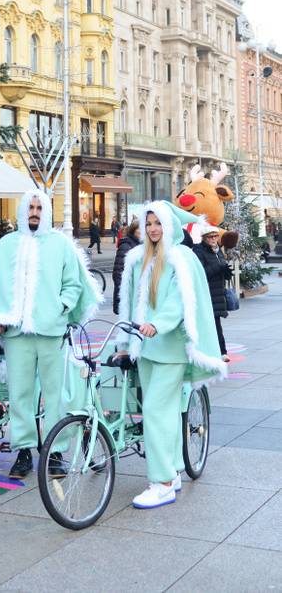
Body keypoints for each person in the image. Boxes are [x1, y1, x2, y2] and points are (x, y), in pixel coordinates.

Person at [0, 190, 103, 479]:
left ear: (46, 211)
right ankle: (23, 452)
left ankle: (55, 452)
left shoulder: (61, 245)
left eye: (39, 207)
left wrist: (62, 306)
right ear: (23, 210)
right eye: (30, 207)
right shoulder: (6, 245)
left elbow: (73, 283)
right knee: (19, 393)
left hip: (51, 331)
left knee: (55, 394)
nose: (34, 212)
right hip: (16, 333)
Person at [114, 200, 226, 509]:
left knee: (154, 411)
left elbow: (179, 300)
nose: (153, 229)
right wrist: (125, 341)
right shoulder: (139, 258)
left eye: (158, 223)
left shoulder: (180, 257)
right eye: (148, 223)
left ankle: (162, 483)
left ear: (169, 226)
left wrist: (157, 324)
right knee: (165, 412)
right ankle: (173, 471)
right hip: (146, 347)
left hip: (171, 346)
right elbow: (129, 302)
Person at [193, 226, 232, 362]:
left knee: (216, 323)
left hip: (218, 293)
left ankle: (220, 351)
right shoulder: (199, 251)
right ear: (204, 238)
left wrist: (226, 272)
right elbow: (201, 273)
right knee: (213, 324)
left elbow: (220, 267)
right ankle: (220, 352)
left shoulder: (218, 251)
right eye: (211, 236)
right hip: (207, 294)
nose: (214, 239)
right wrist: (219, 267)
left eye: (216, 236)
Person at [112, 218, 140, 314]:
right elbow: (118, 273)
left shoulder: (140, 244)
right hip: (127, 294)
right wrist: (123, 295)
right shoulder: (126, 245)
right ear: (133, 230)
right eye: (139, 228)